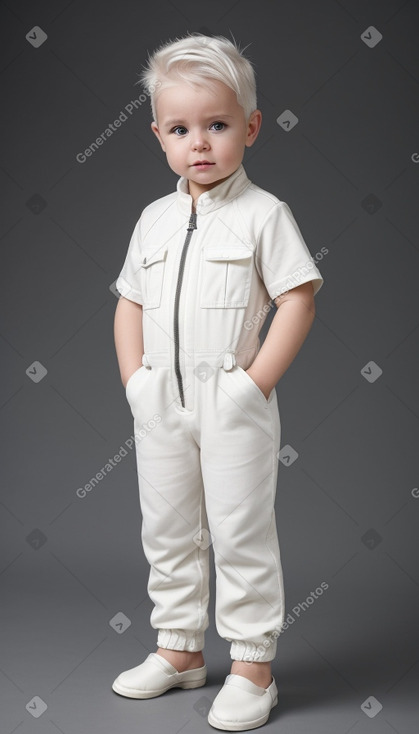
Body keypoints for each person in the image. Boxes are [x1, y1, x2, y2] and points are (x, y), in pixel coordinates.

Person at [112, 32, 324, 731]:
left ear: (250, 128)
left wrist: (251, 385)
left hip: (231, 401)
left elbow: (297, 298)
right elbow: (130, 302)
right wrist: (135, 383)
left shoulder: (265, 215)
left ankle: (251, 666)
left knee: (238, 532)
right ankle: (178, 650)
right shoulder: (153, 220)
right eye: (180, 128)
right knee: (167, 529)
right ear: (158, 136)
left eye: (217, 125)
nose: (198, 143)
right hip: (161, 401)